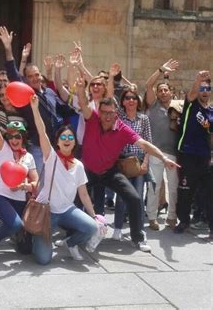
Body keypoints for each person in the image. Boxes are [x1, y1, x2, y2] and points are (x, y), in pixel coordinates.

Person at [74, 75, 179, 252]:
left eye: (111, 113)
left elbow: (145, 144)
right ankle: (72, 235)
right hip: (88, 171)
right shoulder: (92, 119)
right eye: (104, 112)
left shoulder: (122, 128)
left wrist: (164, 158)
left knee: (135, 198)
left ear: (117, 113)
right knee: (76, 201)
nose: (108, 116)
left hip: (109, 171)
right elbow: (83, 103)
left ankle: (137, 238)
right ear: (99, 112)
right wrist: (78, 89)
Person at [29, 95, 98, 264]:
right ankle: (37, 240)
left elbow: (83, 195)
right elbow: (41, 131)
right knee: (43, 260)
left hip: (67, 210)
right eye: (63, 138)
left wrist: (94, 216)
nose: (67, 141)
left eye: (70, 138)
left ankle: (70, 243)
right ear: (57, 142)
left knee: (91, 227)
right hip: (47, 213)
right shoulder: (51, 157)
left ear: (75, 142)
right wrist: (34, 109)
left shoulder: (79, 166)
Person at [0, 26, 74, 173]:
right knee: (37, 184)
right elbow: (13, 74)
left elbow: (64, 109)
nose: (35, 78)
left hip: (56, 145)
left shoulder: (50, 92)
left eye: (37, 75)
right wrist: (8, 48)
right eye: (30, 76)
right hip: (37, 147)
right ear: (26, 79)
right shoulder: (26, 95)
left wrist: (80, 105)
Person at [0, 94, 38, 261]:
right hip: (1, 198)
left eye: (18, 136)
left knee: (26, 250)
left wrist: (26, 186)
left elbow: (36, 182)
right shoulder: (3, 149)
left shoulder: (29, 157)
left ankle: (14, 234)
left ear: (23, 138)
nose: (14, 139)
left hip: (21, 202)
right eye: (11, 135)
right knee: (15, 224)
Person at [174, 70, 212, 237]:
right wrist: (198, 79)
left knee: (209, 193)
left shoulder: (211, 112)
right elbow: (191, 94)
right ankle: (183, 221)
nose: (204, 92)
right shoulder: (191, 105)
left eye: (207, 89)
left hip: (205, 157)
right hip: (187, 154)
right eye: (201, 89)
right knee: (185, 190)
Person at [112, 87, 152, 241]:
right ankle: (117, 228)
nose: (131, 100)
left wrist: (145, 164)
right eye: (127, 97)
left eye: (134, 98)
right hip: (123, 160)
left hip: (139, 160)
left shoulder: (144, 119)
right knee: (122, 196)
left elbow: (148, 142)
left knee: (138, 197)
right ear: (122, 101)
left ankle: (139, 230)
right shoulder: (119, 117)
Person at [144, 59, 180, 230]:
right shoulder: (153, 105)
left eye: (166, 90)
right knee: (154, 187)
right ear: (157, 94)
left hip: (172, 153)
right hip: (155, 153)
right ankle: (152, 217)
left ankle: (172, 217)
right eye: (160, 90)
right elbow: (148, 85)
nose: (163, 92)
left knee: (173, 187)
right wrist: (160, 70)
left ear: (171, 93)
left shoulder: (178, 107)